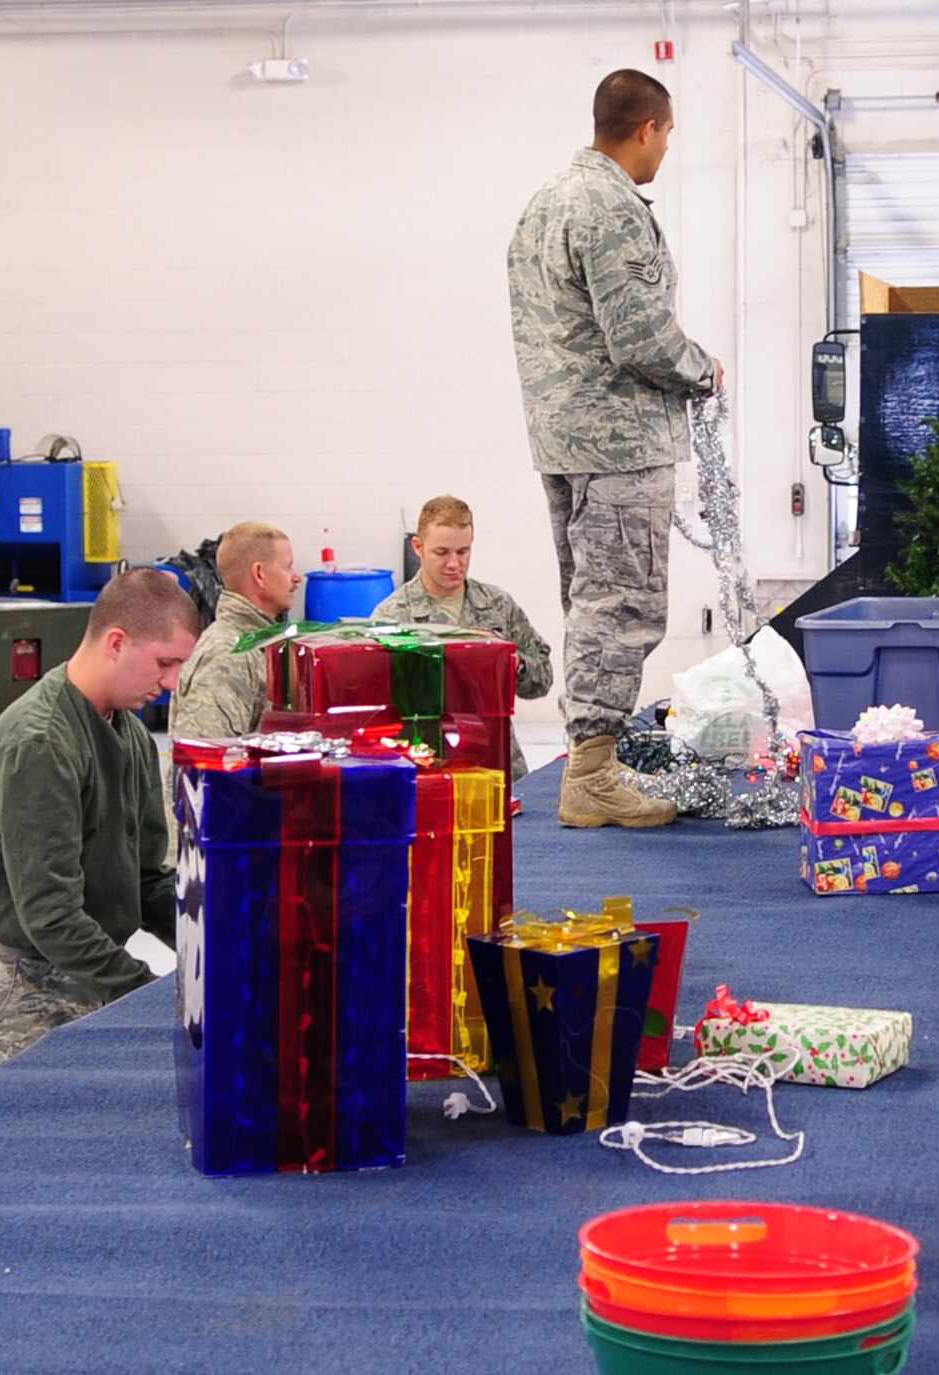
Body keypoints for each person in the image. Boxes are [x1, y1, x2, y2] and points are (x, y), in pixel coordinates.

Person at [506, 67, 722, 829]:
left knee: (589, 603)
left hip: (563, 437)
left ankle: (593, 756)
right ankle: (592, 771)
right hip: (619, 439)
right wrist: (702, 368)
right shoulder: (610, 208)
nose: (665, 149)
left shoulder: (542, 206)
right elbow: (639, 335)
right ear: (647, 129)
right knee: (621, 604)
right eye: (667, 135)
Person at [0, 569, 200, 1081]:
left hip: (84, 975)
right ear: (116, 642)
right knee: (3, 1153)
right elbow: (49, 912)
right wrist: (142, 990)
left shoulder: (131, 738)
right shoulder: (42, 743)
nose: (170, 684)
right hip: (13, 993)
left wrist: (210, 943)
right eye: (165, 663)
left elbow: (146, 881)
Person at [372, 494, 554, 783]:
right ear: (418, 547)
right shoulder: (392, 616)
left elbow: (542, 680)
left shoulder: (497, 605)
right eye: (442, 552)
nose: (454, 563)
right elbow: (378, 706)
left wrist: (515, 663)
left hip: (495, 762)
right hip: (426, 763)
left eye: (463, 552)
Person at [167, 521, 302, 740]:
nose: (296, 577)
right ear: (259, 574)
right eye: (287, 566)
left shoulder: (259, 643)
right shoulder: (228, 653)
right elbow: (205, 760)